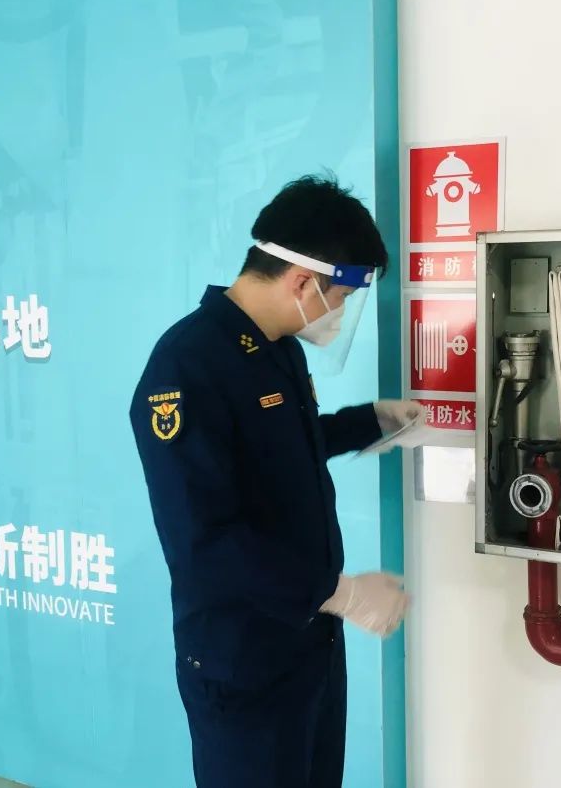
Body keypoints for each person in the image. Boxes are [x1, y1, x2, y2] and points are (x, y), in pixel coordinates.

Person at [129, 175, 423, 787]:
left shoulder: (277, 347)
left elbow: (287, 445)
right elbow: (204, 542)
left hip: (309, 645)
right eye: (341, 296)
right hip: (243, 659)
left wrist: (369, 422)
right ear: (303, 282)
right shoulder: (186, 367)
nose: (339, 312)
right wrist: (341, 593)